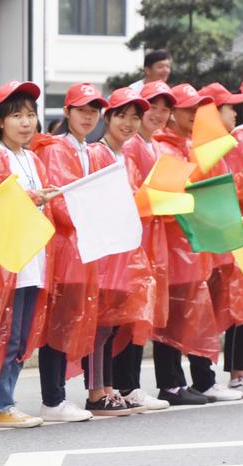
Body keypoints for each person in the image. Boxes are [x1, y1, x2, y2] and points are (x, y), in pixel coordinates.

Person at [0, 80, 54, 427]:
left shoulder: (32, 158)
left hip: (32, 257)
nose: (25, 122)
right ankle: (0, 403)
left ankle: (1, 398)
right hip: (5, 262)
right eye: (16, 115)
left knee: (21, 334)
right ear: (0, 120)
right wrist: (32, 198)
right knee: (6, 333)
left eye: (30, 115)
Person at [151, 83, 242, 403]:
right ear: (172, 113)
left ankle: (199, 380)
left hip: (197, 245)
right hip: (177, 246)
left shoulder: (192, 146)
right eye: (187, 109)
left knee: (194, 313)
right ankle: (173, 384)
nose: (193, 115)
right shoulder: (168, 148)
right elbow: (168, 201)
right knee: (174, 315)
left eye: (196, 109)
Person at [31, 82, 108, 422]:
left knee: (69, 321)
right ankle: (53, 398)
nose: (88, 116)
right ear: (67, 112)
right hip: (63, 248)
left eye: (93, 110)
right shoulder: (55, 149)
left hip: (83, 249)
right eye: (82, 110)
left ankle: (57, 396)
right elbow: (59, 202)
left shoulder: (88, 150)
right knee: (57, 323)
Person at [85, 88, 154, 416]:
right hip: (103, 251)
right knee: (100, 324)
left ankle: (109, 387)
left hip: (123, 252)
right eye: (122, 115)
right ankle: (97, 392)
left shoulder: (126, 157)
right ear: (108, 118)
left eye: (135, 117)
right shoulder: (97, 153)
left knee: (113, 323)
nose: (129, 123)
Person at [116, 81, 177, 410]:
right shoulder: (131, 147)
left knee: (141, 313)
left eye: (166, 108)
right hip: (134, 241)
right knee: (129, 314)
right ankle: (126, 384)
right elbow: (132, 193)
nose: (160, 114)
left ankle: (130, 384)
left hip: (152, 239)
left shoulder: (157, 146)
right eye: (153, 107)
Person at [200, 82, 243, 397]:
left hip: (231, 227)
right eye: (230, 106)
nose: (235, 110)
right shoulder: (234, 141)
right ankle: (236, 372)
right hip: (232, 229)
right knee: (234, 301)